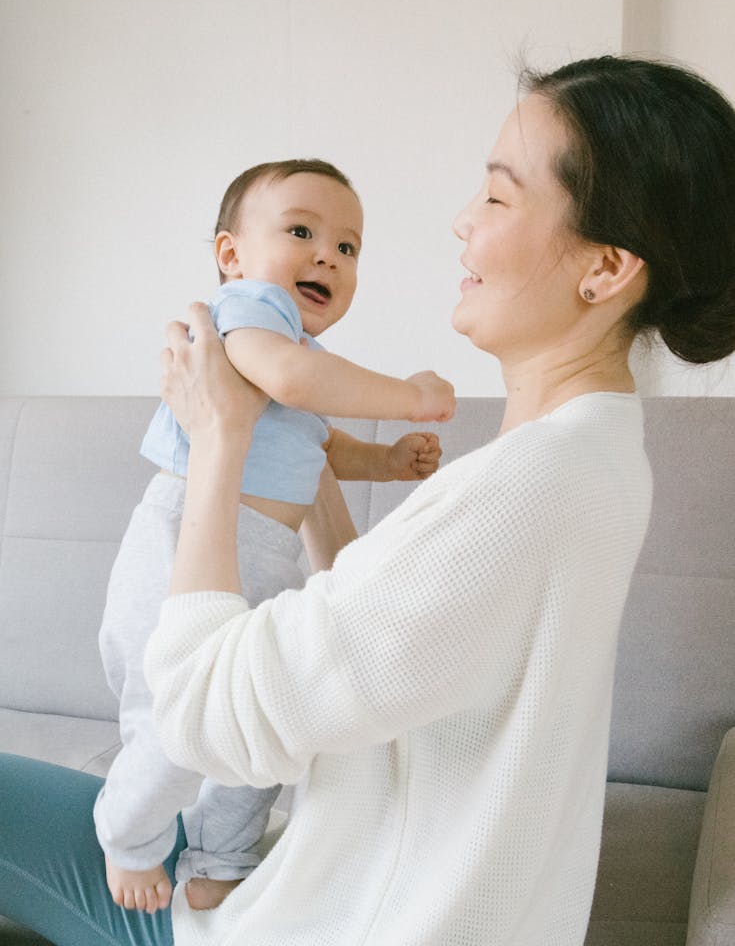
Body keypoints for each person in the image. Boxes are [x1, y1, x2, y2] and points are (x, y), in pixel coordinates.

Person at [1, 54, 735, 946]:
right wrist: (303, 457)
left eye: (498, 198)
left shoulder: (522, 494)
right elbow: (378, 633)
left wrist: (220, 440)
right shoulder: (593, 456)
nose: (462, 223)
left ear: (605, 268)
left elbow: (193, 713)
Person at [94, 158, 454, 915]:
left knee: (253, 722)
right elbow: (290, 384)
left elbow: (316, 442)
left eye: (348, 247)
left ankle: (220, 853)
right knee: (176, 722)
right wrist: (410, 397)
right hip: (179, 545)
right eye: (301, 231)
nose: (328, 255)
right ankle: (125, 836)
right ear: (231, 255)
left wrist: (383, 462)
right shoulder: (247, 315)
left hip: (262, 554)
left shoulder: (304, 357)